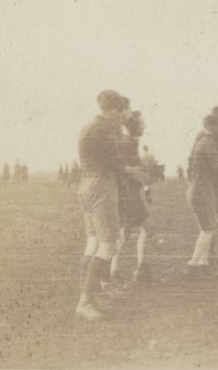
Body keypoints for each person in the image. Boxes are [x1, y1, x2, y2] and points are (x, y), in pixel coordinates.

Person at [75, 90, 149, 321]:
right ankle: (85, 302)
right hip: (101, 185)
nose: (123, 116)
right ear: (115, 110)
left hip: (86, 184)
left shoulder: (89, 127)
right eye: (122, 111)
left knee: (93, 243)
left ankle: (90, 295)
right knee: (109, 245)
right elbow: (114, 163)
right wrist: (132, 171)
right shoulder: (107, 128)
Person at [185, 111, 218, 277]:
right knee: (208, 228)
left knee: (208, 226)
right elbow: (217, 164)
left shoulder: (203, 141)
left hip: (200, 186)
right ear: (213, 126)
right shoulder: (207, 142)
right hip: (202, 187)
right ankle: (194, 264)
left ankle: (202, 262)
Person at [110, 111, 152, 284]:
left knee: (127, 233)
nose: (144, 126)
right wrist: (142, 175)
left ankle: (120, 270)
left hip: (129, 194)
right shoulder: (128, 143)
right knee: (144, 229)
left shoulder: (131, 142)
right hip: (128, 195)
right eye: (142, 124)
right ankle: (134, 270)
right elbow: (123, 170)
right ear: (135, 127)